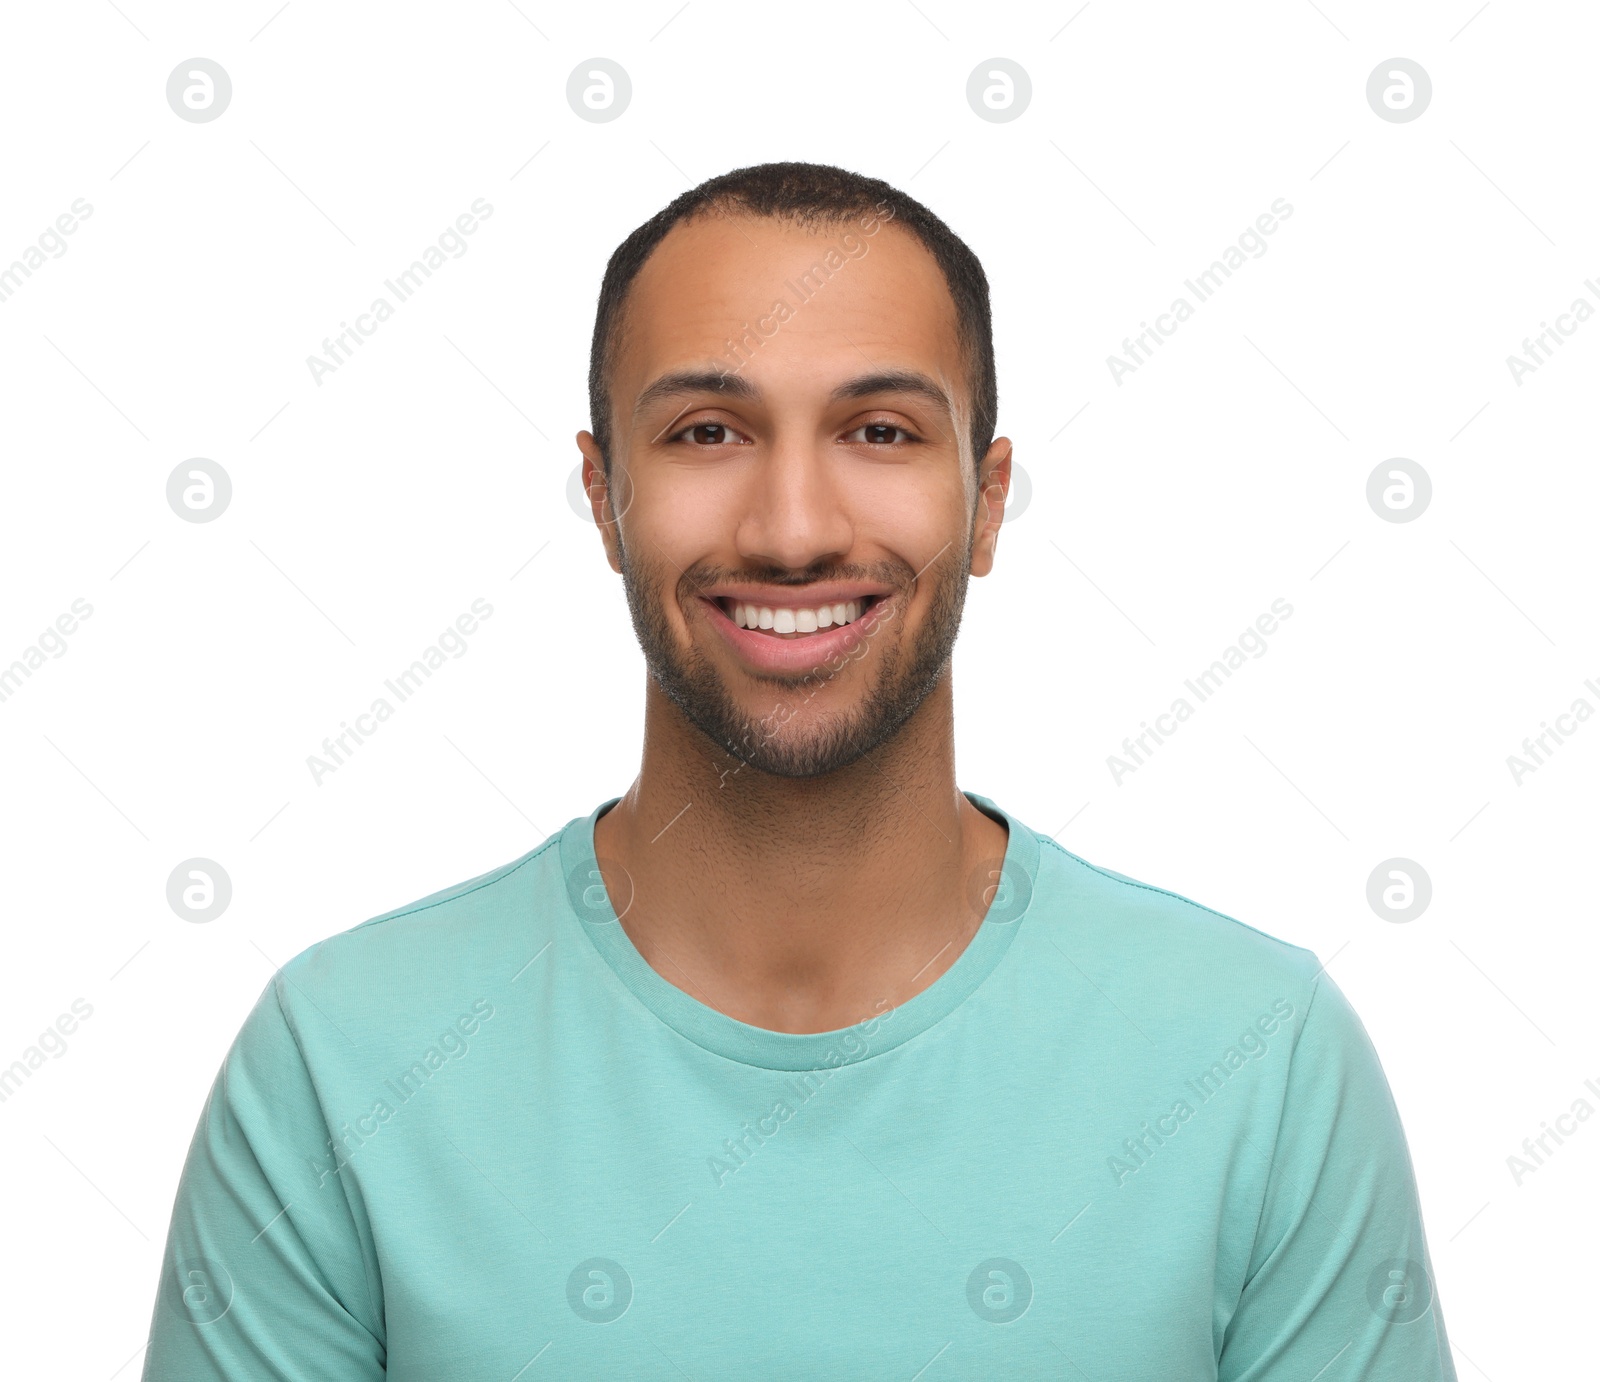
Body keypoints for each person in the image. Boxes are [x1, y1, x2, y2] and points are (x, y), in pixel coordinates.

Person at [143, 161, 1457, 1379]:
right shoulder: (342, 1067)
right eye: (709, 432)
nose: (791, 528)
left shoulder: (1256, 1061)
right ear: (603, 498)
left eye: (879, 432)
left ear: (987, 499)